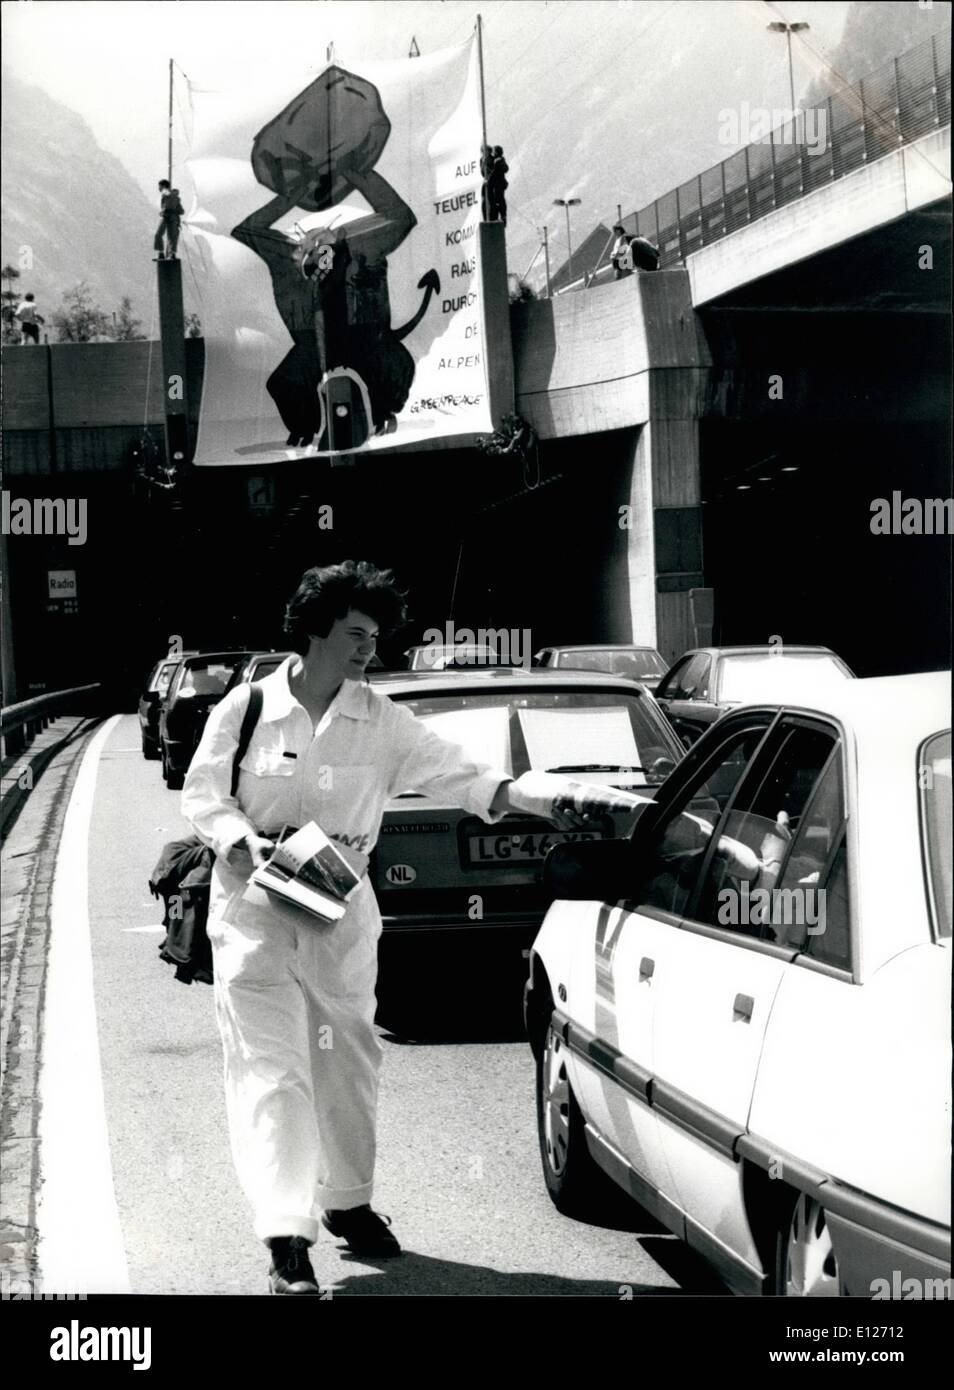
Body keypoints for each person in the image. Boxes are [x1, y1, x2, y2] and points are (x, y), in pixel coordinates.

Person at [181, 560, 640, 1294]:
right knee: (272, 1074)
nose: (370, 649)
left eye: (376, 636)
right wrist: (245, 842)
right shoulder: (245, 709)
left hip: (340, 909)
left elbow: (467, 775)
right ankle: (285, 1238)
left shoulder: (382, 720)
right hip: (255, 910)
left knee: (349, 1062)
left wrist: (546, 800)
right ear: (317, 628)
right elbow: (203, 797)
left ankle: (347, 1203)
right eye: (359, 633)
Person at [153, 179, 184, 260]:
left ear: (163, 186)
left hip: (167, 216)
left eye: (159, 186)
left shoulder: (165, 192)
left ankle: (161, 253)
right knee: (172, 237)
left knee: (158, 235)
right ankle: (172, 254)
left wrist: (164, 211)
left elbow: (168, 201)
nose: (158, 188)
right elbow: (181, 211)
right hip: (173, 218)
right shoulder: (175, 197)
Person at [487, 145, 509, 226]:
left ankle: (500, 217)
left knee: (498, 201)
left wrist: (489, 182)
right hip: (500, 184)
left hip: (498, 184)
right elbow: (506, 169)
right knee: (500, 200)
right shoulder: (501, 160)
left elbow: (495, 173)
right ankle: (502, 216)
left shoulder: (498, 161)